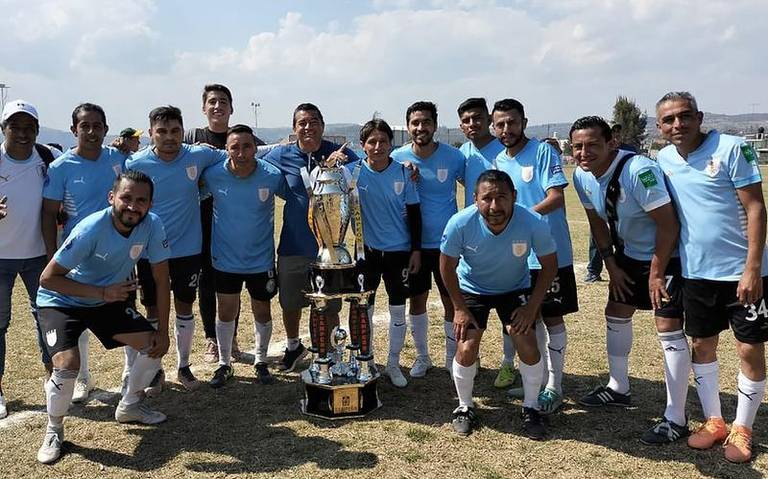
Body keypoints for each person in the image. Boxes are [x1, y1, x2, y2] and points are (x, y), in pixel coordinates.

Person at [656, 91, 768, 463]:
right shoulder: (664, 158)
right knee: (702, 346)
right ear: (659, 127)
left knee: (749, 347)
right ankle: (715, 421)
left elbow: (756, 207)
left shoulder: (732, 149)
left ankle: (743, 426)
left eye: (685, 116)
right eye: (669, 120)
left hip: (743, 274)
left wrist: (753, 268)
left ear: (699, 117)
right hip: (697, 273)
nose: (678, 125)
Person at [35, 170, 171, 464]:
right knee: (68, 365)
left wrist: (163, 329)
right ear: (112, 198)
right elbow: (48, 279)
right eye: (126, 198)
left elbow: (162, 279)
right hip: (61, 300)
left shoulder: (153, 225)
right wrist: (102, 293)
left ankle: (131, 405)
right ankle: (54, 428)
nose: (133, 206)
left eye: (141, 200)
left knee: (155, 345)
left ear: (150, 204)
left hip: (105, 299)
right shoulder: (91, 228)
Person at [570, 116, 690, 444]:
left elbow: (668, 226)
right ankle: (618, 387)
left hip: (666, 258)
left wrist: (656, 273)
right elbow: (596, 221)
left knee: (668, 329)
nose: (584, 152)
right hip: (627, 258)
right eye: (578, 146)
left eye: (593, 145)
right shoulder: (581, 176)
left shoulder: (638, 170)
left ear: (611, 143)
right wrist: (611, 263)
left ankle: (675, 417)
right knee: (616, 313)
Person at [440, 169, 557, 438]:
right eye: (487, 198)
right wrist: (458, 308)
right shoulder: (460, 223)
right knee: (467, 347)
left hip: (514, 288)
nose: (494, 206)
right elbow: (446, 267)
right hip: (473, 289)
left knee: (526, 342)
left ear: (514, 197)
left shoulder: (533, 222)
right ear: (475, 199)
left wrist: (531, 308)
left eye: (502, 197)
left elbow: (549, 266)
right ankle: (464, 406)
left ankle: (531, 407)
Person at [125, 105, 227, 391]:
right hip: (148, 251)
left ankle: (183, 367)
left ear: (183, 132)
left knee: (184, 304)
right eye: (162, 131)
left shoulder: (198, 154)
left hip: (187, 248)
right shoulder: (136, 163)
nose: (169, 137)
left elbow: (235, 153)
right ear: (150, 134)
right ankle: (155, 369)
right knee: (153, 310)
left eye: (175, 131)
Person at [491, 99, 578, 414]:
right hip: (517, 258)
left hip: (548, 253)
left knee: (553, 317)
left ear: (523, 122)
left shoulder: (544, 152)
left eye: (511, 123)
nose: (506, 130)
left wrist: (519, 216)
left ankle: (555, 385)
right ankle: (539, 378)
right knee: (530, 317)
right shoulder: (499, 160)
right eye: (500, 124)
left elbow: (555, 196)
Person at [263, 103, 359, 372]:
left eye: (313, 121)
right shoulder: (281, 155)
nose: (308, 127)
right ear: (294, 128)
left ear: (322, 125)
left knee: (329, 305)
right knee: (290, 302)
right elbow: (252, 162)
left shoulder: (340, 154)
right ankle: (294, 346)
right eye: (302, 123)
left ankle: (332, 352)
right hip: (293, 244)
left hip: (329, 248)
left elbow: (372, 165)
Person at [42, 102, 126, 404]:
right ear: (73, 130)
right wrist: (53, 253)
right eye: (84, 126)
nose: (91, 131)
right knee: (78, 318)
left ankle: (129, 379)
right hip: (77, 255)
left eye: (97, 126)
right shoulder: (60, 167)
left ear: (105, 129)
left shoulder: (118, 159)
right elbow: (48, 213)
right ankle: (82, 379)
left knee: (122, 311)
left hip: (119, 251)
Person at [201, 125, 287, 387]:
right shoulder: (213, 175)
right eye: (235, 147)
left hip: (260, 258)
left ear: (255, 148)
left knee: (261, 309)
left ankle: (260, 361)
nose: (241, 152)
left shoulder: (271, 175)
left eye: (246, 146)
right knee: (226, 309)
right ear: (226, 150)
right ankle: (224, 363)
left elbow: (298, 196)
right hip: (225, 257)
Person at [391, 101, 465, 378]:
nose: (420, 127)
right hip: (414, 245)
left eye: (426, 122)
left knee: (451, 302)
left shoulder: (454, 157)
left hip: (449, 244)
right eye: (415, 123)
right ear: (408, 126)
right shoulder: (396, 157)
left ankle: (451, 357)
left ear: (435, 124)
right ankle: (423, 357)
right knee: (417, 300)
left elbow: (473, 190)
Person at [0, 100, 60, 419]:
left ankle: (52, 377)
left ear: (37, 130)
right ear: (3, 129)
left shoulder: (49, 157)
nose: (22, 133)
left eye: (29, 128)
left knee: (46, 318)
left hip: (39, 256)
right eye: (15, 127)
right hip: (0, 259)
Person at [351, 118, 422, 388]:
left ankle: (393, 363)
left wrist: (415, 250)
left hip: (398, 253)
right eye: (372, 141)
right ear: (363, 146)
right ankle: (366, 360)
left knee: (397, 309)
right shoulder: (352, 172)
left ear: (391, 144)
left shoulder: (404, 173)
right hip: (365, 253)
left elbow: (415, 214)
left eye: (383, 141)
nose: (378, 146)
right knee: (364, 309)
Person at [457, 98, 518, 388]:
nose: (473, 125)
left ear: (489, 121)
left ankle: (508, 364)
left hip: (507, 233)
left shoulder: (504, 151)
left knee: (507, 303)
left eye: (478, 118)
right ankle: (475, 357)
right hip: (477, 238)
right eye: (467, 120)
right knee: (477, 303)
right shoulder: (464, 152)